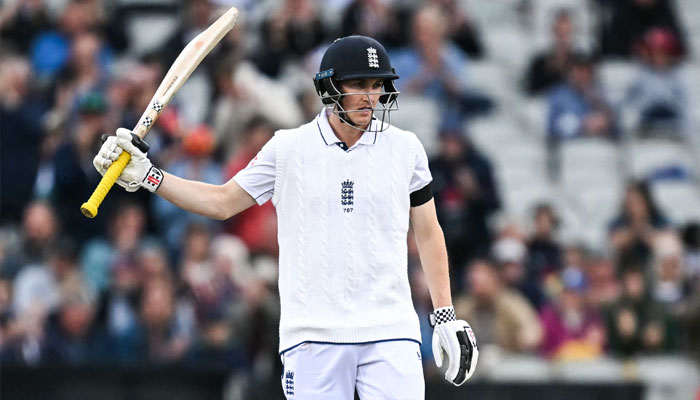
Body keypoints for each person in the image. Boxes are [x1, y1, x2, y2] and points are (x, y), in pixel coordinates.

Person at [92, 35, 478, 398]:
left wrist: (444, 314)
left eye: (377, 85)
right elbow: (222, 202)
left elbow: (428, 232)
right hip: (312, 334)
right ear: (330, 88)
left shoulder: (405, 148)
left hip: (391, 329)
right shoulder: (288, 148)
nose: (371, 96)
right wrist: (148, 175)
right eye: (359, 84)